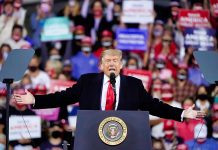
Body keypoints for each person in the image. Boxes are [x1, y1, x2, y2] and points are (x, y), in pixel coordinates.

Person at [14, 49, 205, 122]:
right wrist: (35, 99)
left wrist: (181, 113)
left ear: (121, 65)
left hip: (124, 137)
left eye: (116, 60)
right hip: (91, 136)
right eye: (108, 60)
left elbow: (154, 105)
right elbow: (62, 97)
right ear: (101, 65)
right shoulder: (87, 82)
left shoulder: (134, 85)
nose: (112, 63)